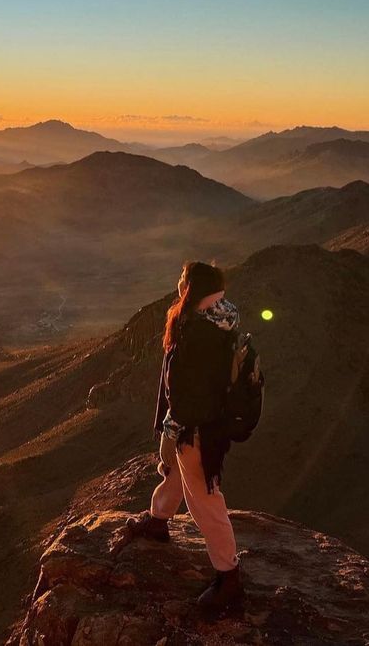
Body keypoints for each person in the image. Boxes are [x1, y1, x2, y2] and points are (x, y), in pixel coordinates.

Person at [129, 260, 243, 610]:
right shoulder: (220, 317)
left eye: (183, 279)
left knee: (205, 500)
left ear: (192, 289)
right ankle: (159, 519)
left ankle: (229, 577)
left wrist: (171, 432)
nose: (178, 282)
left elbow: (185, 395)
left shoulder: (197, 332)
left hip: (195, 428)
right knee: (178, 473)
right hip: (209, 422)